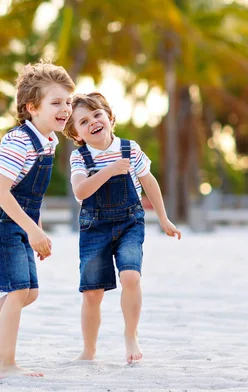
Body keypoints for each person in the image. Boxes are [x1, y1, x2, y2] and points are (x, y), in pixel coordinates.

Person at [0, 61, 75, 379]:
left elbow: (32, 196)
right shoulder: (18, 141)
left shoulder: (49, 141)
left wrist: (38, 231)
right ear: (31, 107)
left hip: (19, 223)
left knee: (28, 293)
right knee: (18, 291)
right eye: (56, 103)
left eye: (68, 102)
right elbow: (1, 194)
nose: (66, 109)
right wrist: (31, 230)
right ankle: (6, 365)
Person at [62, 92, 181, 364]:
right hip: (95, 226)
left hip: (129, 222)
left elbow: (149, 183)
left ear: (109, 117)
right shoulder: (80, 157)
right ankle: (89, 349)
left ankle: (130, 335)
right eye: (83, 121)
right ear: (77, 133)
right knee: (92, 293)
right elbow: (80, 191)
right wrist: (110, 170)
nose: (92, 122)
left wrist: (164, 218)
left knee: (130, 277)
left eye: (96, 115)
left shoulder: (130, 149)